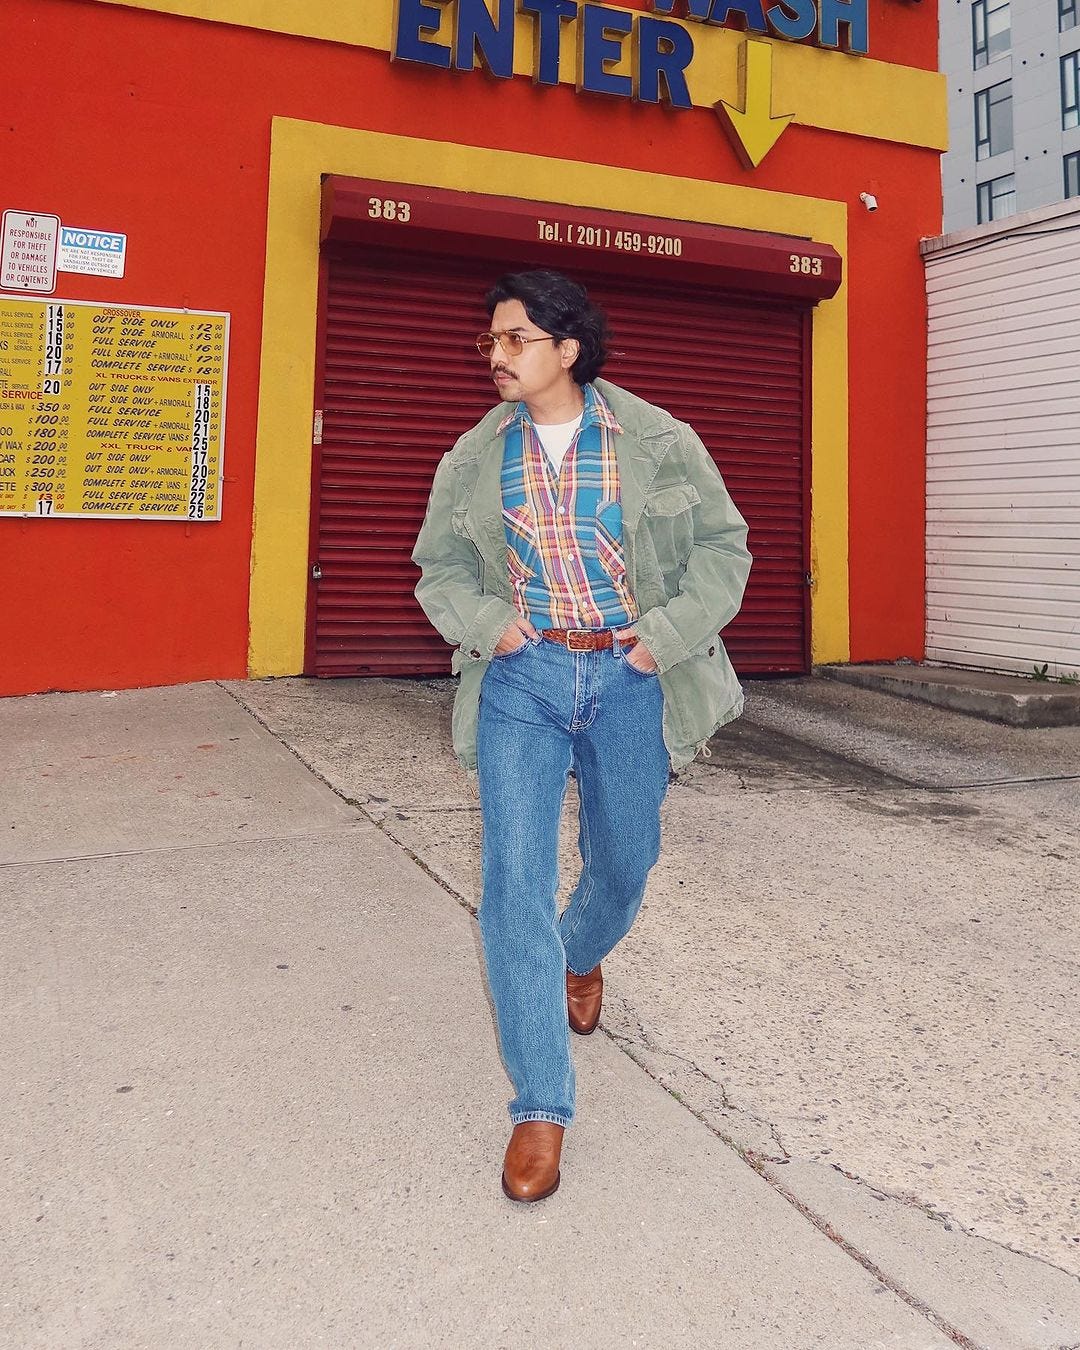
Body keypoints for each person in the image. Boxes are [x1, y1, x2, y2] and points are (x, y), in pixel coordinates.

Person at [412, 269, 751, 1203]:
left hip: (630, 674)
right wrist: (492, 625)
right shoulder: (477, 457)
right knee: (512, 880)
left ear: (567, 348)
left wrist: (663, 641)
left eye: (514, 339)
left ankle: (581, 949)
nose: (496, 356)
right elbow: (437, 568)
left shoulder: (658, 441)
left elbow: (728, 549)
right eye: (490, 341)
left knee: (626, 861)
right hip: (523, 673)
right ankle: (542, 1103)